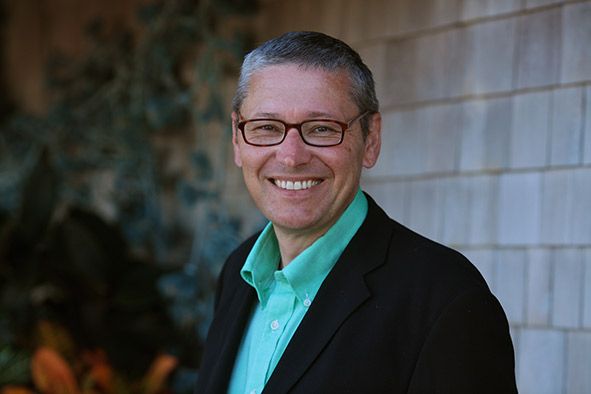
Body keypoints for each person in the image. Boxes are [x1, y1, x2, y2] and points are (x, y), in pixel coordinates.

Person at [195, 31, 517, 394]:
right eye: (267, 128)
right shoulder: (238, 275)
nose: (291, 156)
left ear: (371, 140)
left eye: (321, 129)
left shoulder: (444, 300)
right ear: (237, 139)